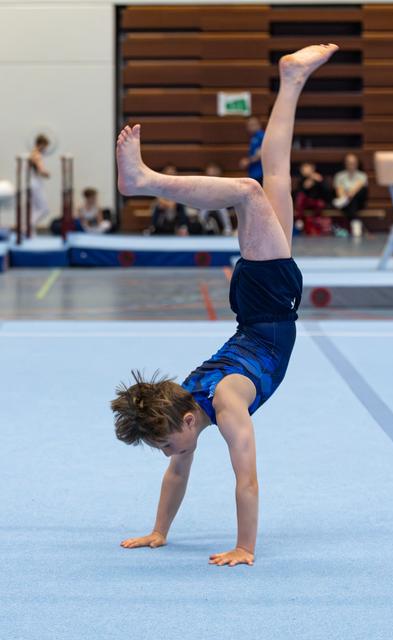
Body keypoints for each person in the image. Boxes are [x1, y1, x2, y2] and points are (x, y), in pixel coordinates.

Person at [112, 44, 338, 567]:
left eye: (166, 443)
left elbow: (248, 479)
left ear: (186, 422)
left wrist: (245, 547)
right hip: (264, 309)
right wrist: (158, 533)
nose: (169, 454)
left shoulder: (223, 406)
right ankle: (292, 78)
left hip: (267, 307)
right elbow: (177, 471)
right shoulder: (185, 405)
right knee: (275, 176)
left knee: (251, 190)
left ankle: (143, 182)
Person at [333, 153, 368, 235]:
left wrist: (350, 195)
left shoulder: (362, 175)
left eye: (354, 162)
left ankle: (355, 222)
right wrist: (344, 197)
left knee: (358, 193)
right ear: (345, 163)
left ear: (357, 163)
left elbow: (359, 187)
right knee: (350, 203)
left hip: (358, 201)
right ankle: (356, 223)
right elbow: (339, 191)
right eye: (349, 162)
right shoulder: (339, 176)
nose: (351, 164)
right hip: (344, 202)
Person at [294, 162, 329, 234]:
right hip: (306, 202)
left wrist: (320, 181)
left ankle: (316, 221)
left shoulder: (319, 178)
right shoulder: (302, 180)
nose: (304, 170)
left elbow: (326, 193)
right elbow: (297, 194)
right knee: (300, 198)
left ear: (312, 168)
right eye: (303, 168)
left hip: (316, 202)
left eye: (306, 167)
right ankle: (299, 220)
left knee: (320, 204)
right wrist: (304, 187)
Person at [198, 163, 233, 235]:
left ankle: (228, 228)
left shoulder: (223, 183)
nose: (212, 177)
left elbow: (226, 197)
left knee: (222, 209)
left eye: (213, 175)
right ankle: (200, 226)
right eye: (210, 175)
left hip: (221, 205)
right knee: (204, 208)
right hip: (207, 205)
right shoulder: (203, 185)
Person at [29, 134, 50, 234]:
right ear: (41, 145)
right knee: (44, 209)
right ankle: (29, 224)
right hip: (36, 184)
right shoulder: (37, 155)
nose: (45, 149)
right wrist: (46, 173)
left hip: (31, 182)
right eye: (45, 147)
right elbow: (41, 170)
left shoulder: (32, 153)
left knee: (34, 209)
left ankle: (31, 232)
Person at [239, 117, 265, 185]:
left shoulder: (262, 136)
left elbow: (261, 153)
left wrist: (248, 161)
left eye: (253, 124)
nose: (251, 127)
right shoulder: (254, 137)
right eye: (249, 125)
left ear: (259, 125)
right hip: (254, 173)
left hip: (260, 173)